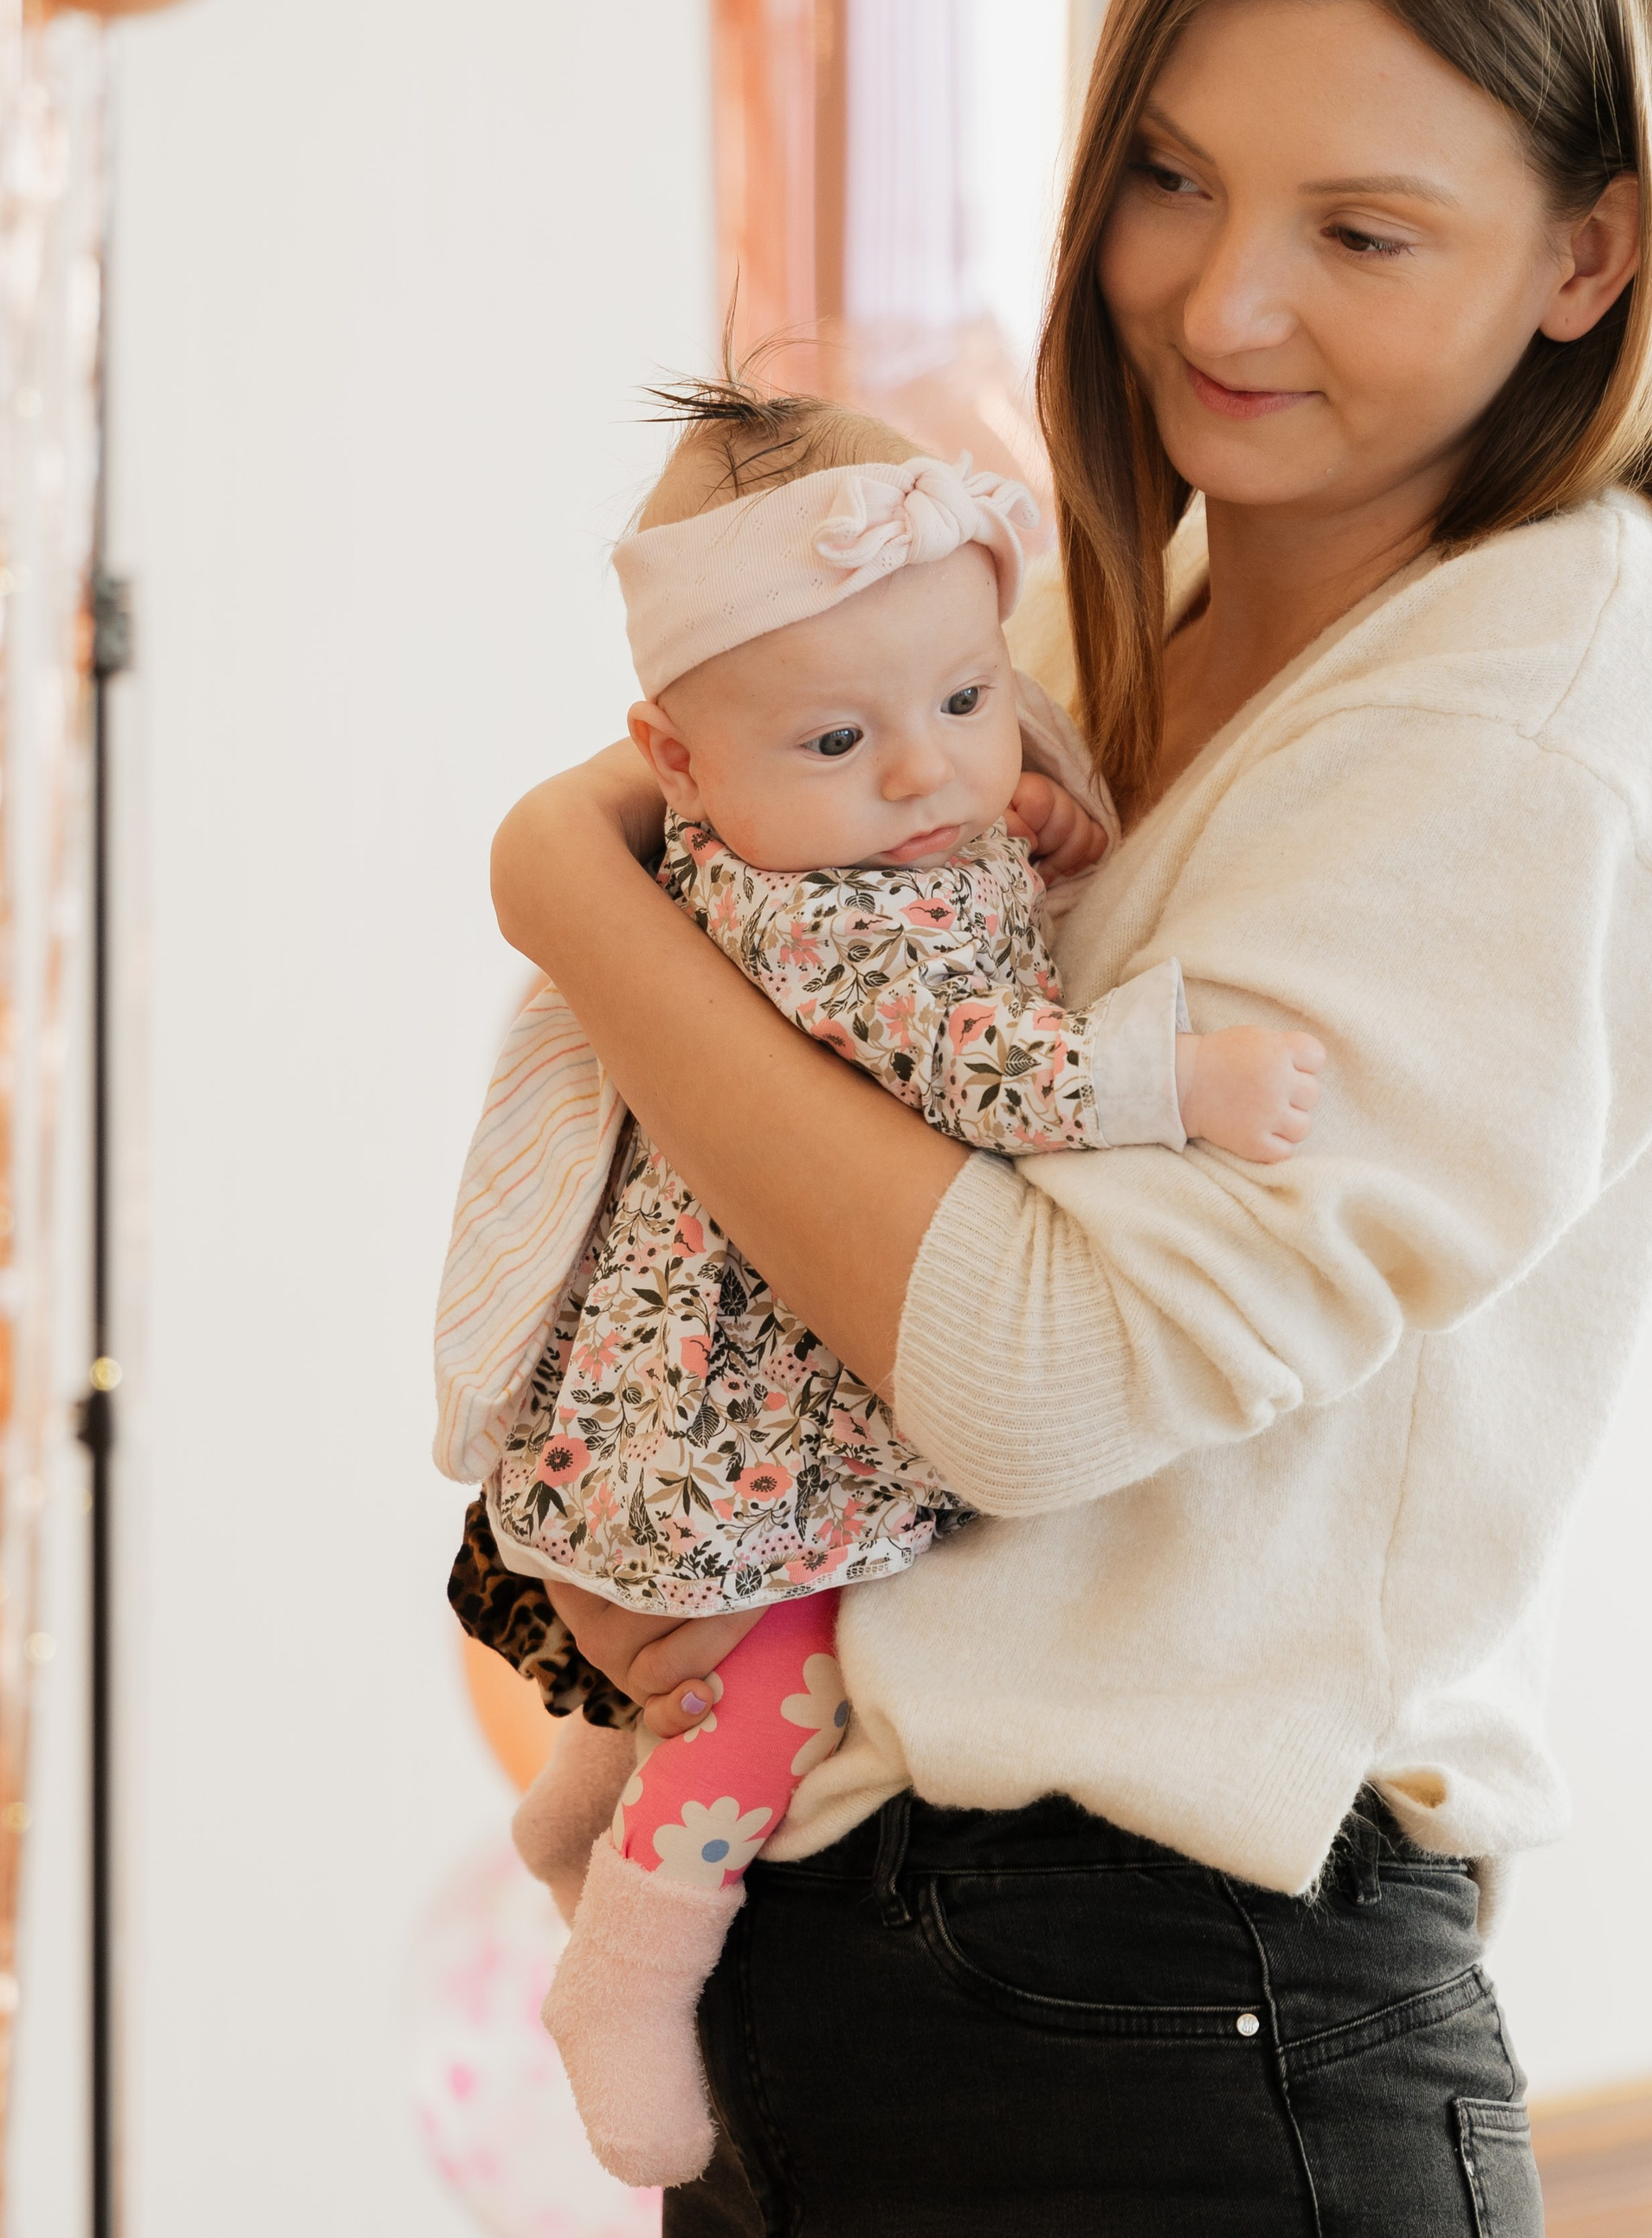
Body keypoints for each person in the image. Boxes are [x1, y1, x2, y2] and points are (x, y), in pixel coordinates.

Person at [487, 0, 1652, 2236]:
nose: (1224, 298)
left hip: (1169, 2006)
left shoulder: (1537, 707)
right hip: (884, 1957)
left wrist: (573, 891)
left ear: (1587, 255)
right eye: (1174, 176)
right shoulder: (1117, 621)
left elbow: (1037, 1366)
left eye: (1365, 228)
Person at [435, 395, 1321, 2187]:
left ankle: (578, 1805)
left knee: (713, 1654)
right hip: (746, 1403)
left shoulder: (849, 837)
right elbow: (970, 1063)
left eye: (967, 701)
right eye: (840, 734)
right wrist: (1175, 1082)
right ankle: (630, 1963)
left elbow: (961, 859)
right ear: (672, 763)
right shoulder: (814, 913)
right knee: (773, 1674)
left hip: (736, 1369)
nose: (924, 776)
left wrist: (1034, 825)